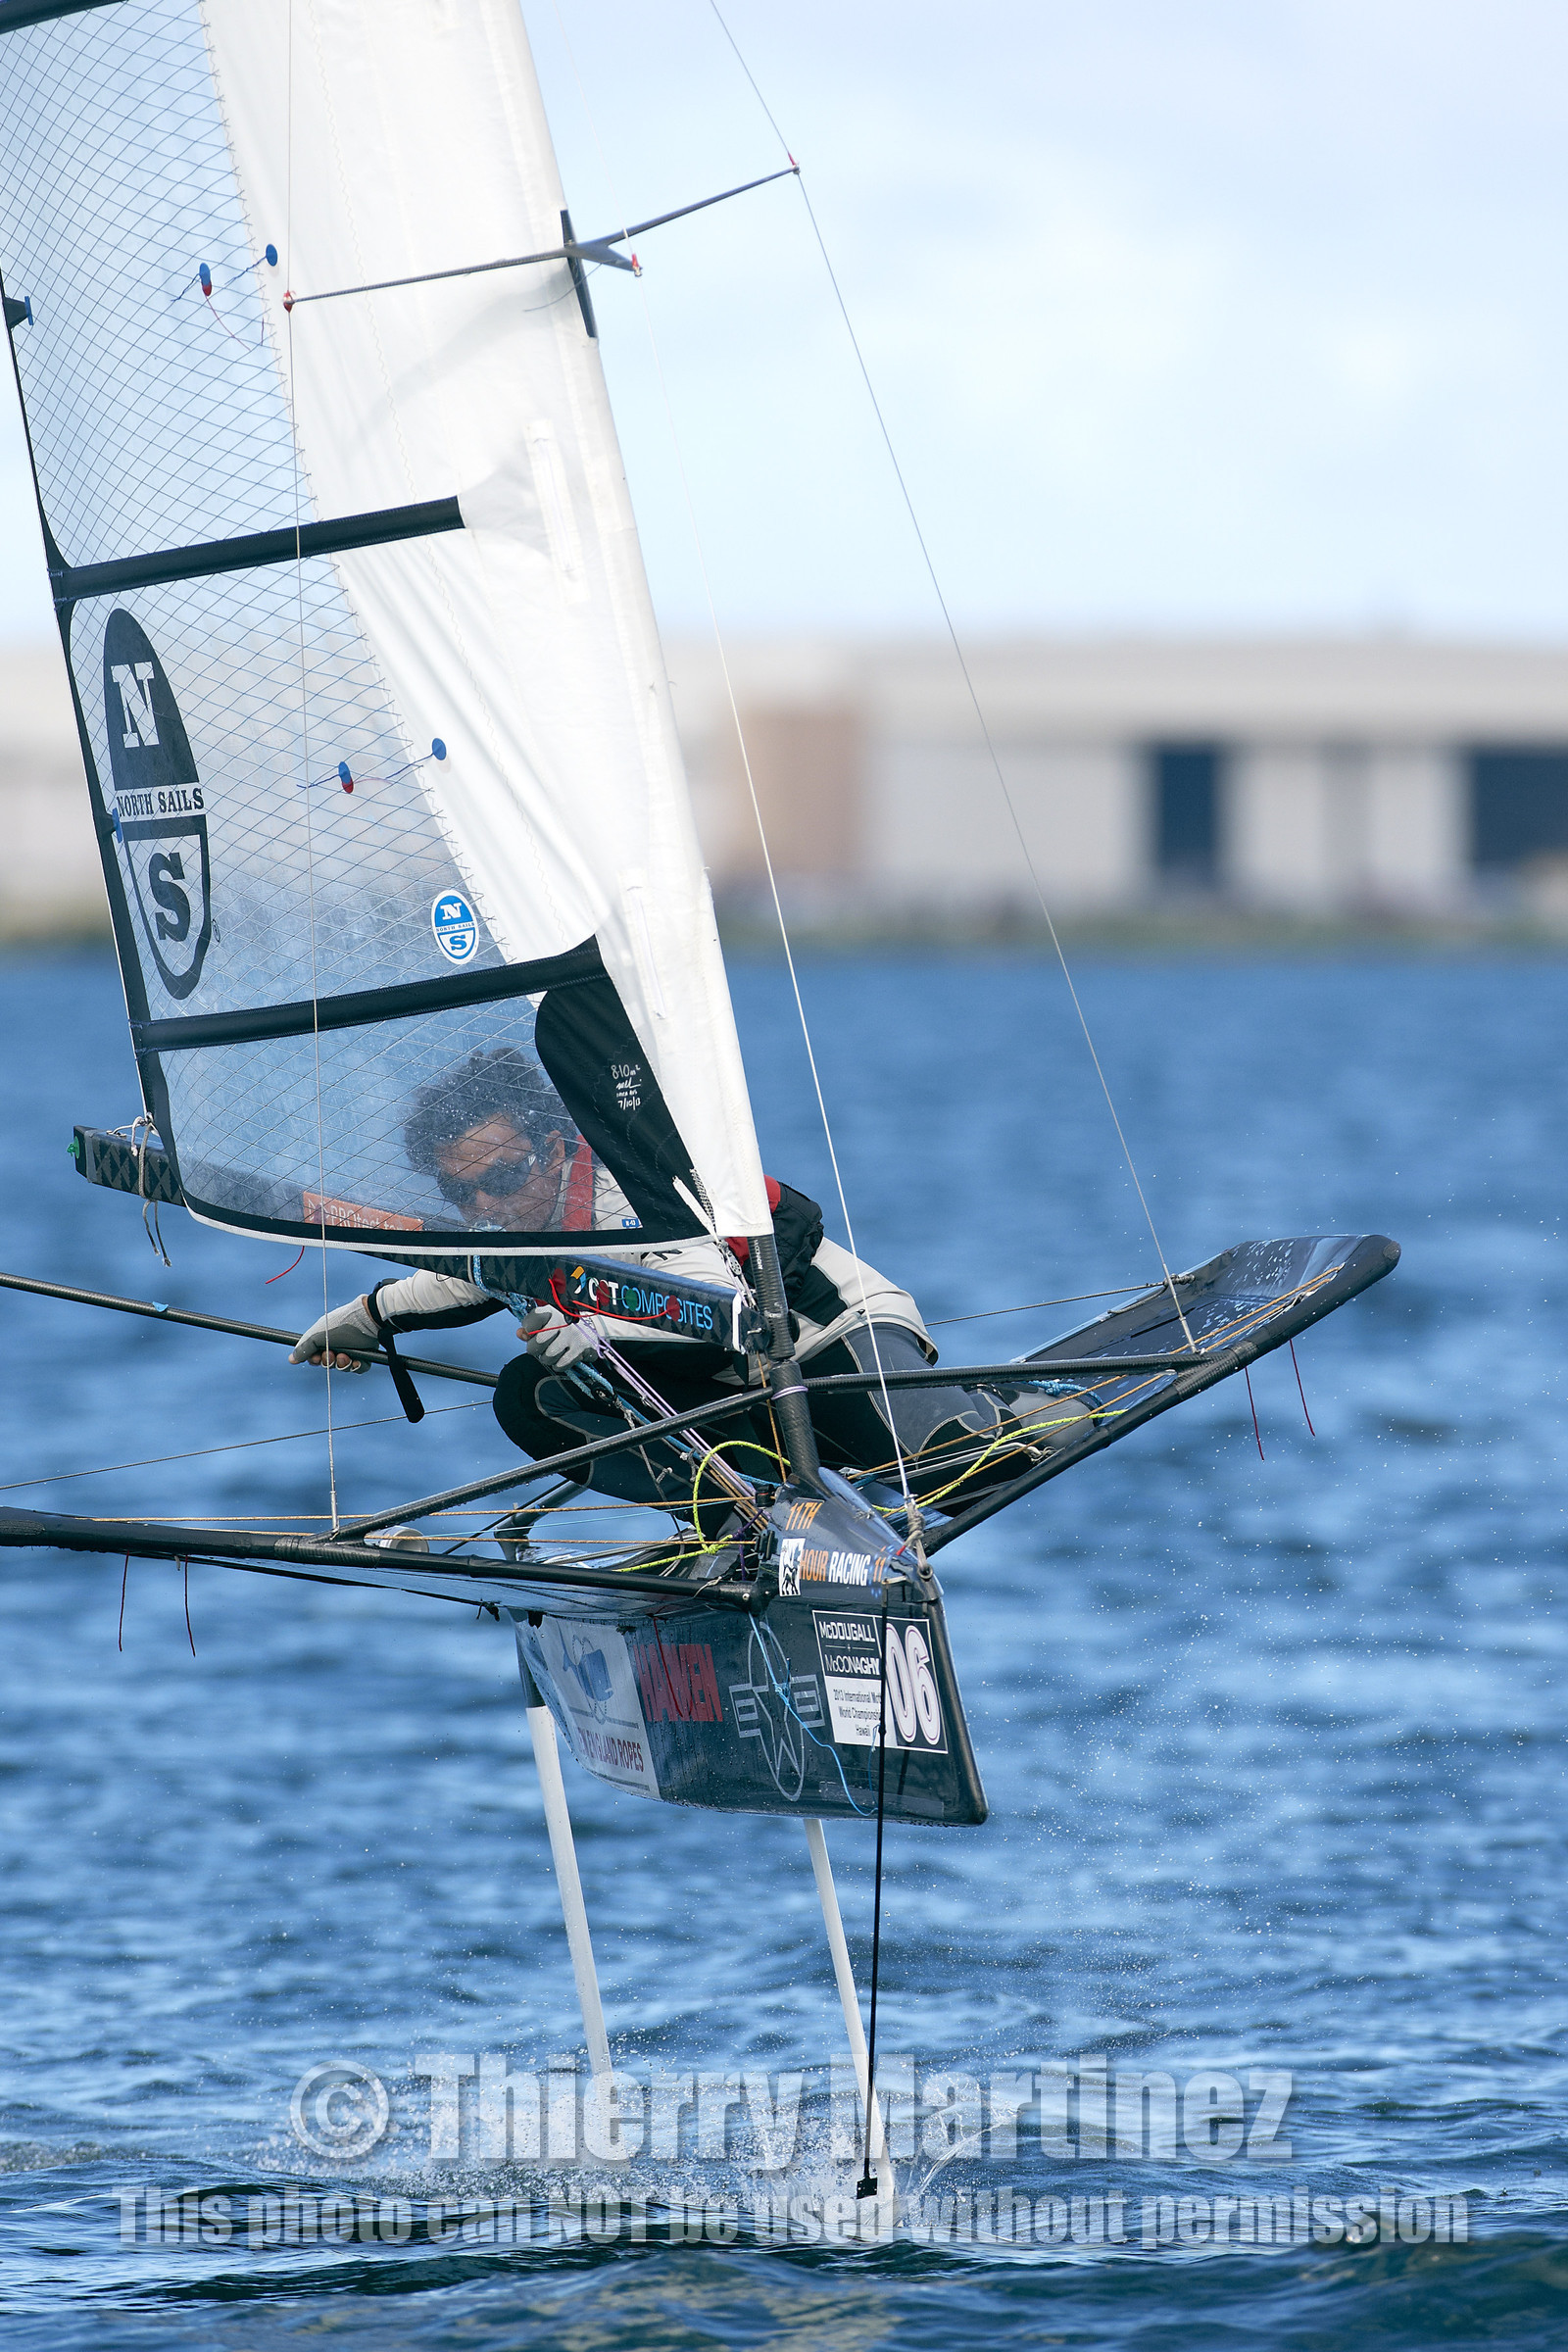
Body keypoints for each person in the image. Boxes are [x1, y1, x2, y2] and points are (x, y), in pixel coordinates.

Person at [292, 1051, 1086, 1518]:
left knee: (965, 1477)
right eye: (465, 1195)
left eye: (504, 1174)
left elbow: (716, 1310)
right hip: (742, 1387)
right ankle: (730, 1527)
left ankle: (1019, 1406)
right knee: (529, 1392)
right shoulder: (518, 1223)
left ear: (553, 1143)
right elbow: (470, 1275)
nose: (491, 1205)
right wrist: (367, 1317)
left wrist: (600, 1333)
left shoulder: (633, 1187)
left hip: (826, 1340)